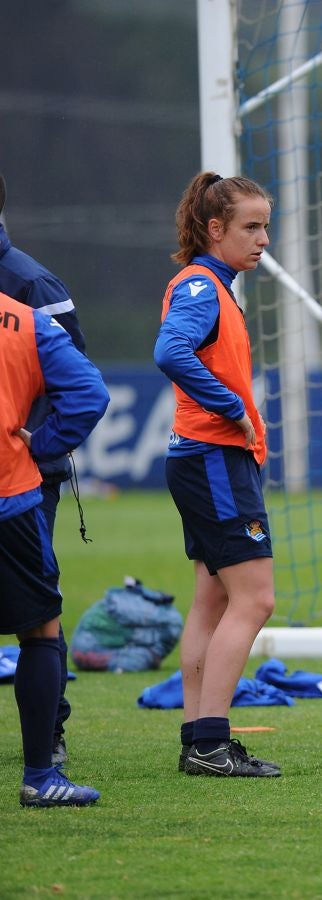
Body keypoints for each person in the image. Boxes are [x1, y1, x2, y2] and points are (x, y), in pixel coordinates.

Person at [154, 172, 282, 777]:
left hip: (205, 460)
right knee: (255, 600)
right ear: (215, 229)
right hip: (212, 459)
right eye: (251, 227)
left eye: (265, 225)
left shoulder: (216, 286)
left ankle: (198, 739)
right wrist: (232, 407)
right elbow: (170, 351)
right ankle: (209, 742)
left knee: (212, 600)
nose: (263, 239)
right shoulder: (202, 287)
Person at [2, 287, 109, 806]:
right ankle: (41, 777)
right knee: (41, 630)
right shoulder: (25, 322)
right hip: (11, 501)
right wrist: (40, 445)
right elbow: (90, 393)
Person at [0, 172, 88, 767]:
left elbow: (74, 379)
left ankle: (47, 737)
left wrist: (41, 445)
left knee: (38, 614)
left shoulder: (30, 282)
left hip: (24, 481)